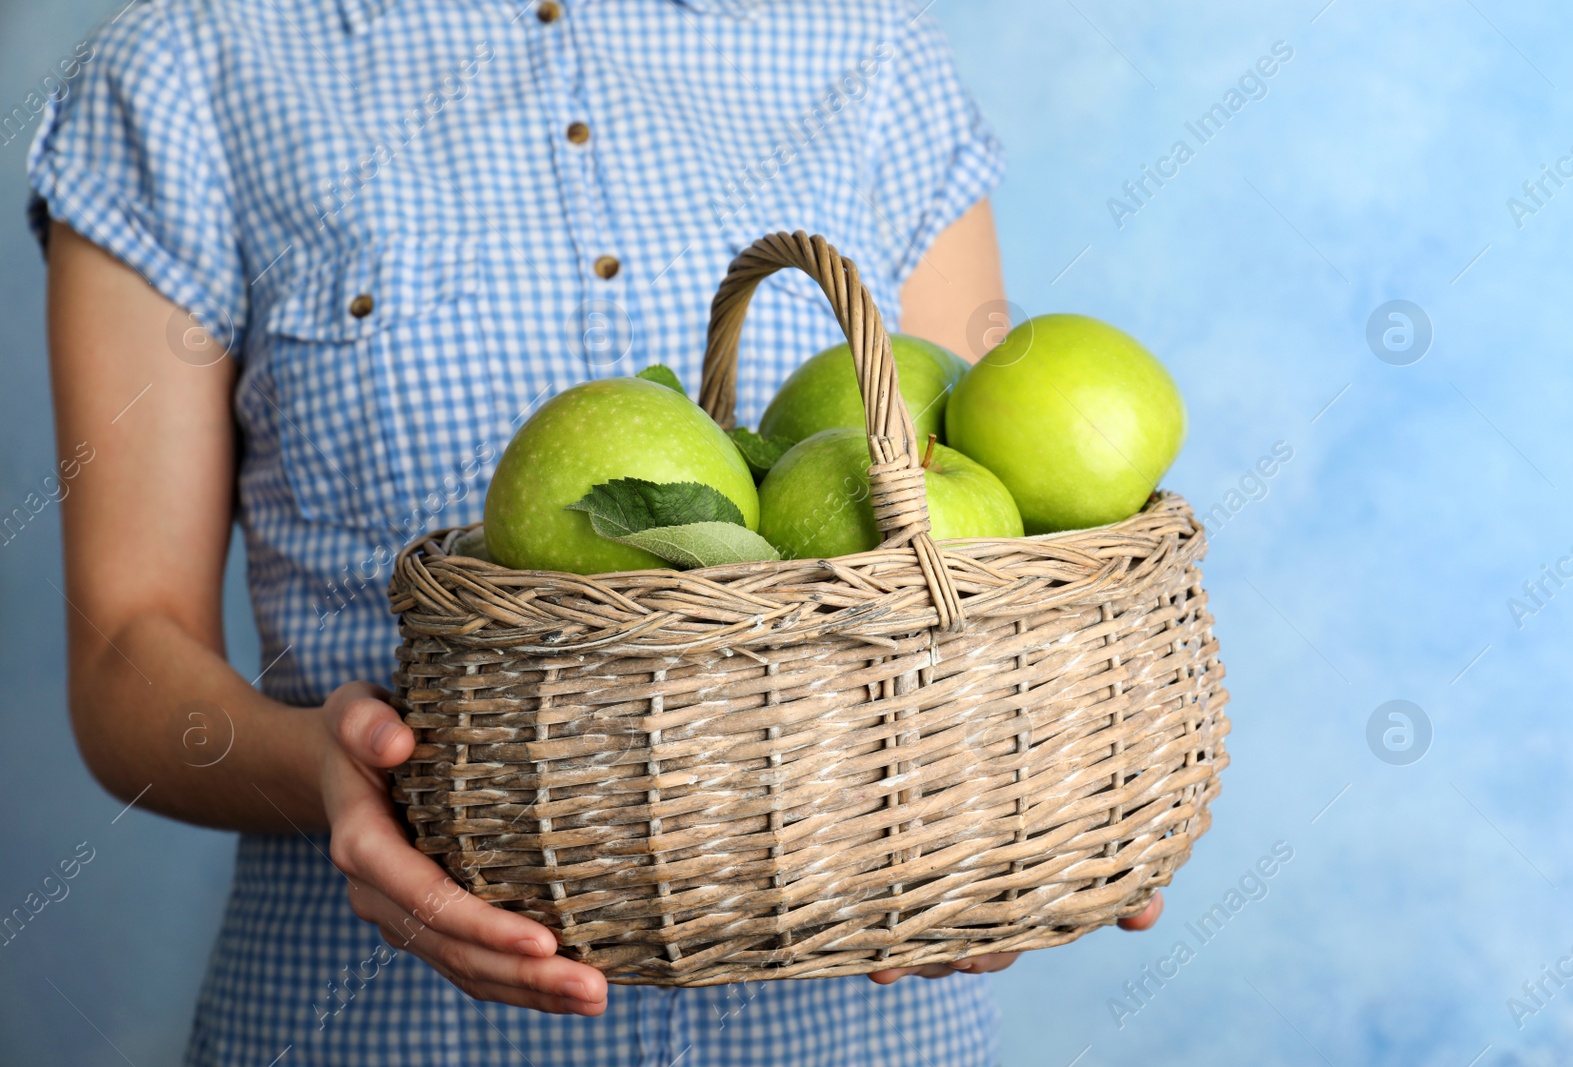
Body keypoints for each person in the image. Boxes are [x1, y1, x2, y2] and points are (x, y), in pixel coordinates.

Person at [31, 0, 1160, 1062]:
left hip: (860, 1021)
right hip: (379, 1021)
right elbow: (129, 644)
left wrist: (1048, 774)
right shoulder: (189, 58)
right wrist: (332, 771)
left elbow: (989, 535)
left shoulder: (863, 41)